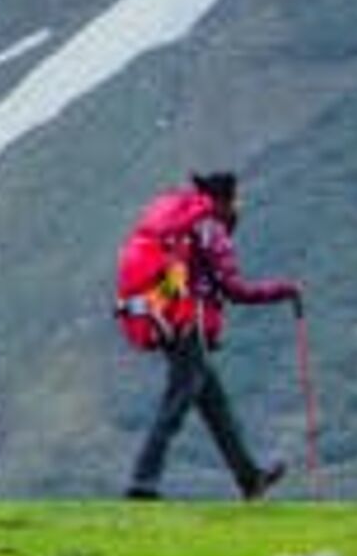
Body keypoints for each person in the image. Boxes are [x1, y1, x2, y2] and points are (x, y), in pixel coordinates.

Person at [115, 165, 302, 499]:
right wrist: (282, 290)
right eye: (237, 200)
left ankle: (250, 478)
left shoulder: (184, 225)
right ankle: (142, 481)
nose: (240, 207)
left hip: (170, 318)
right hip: (191, 324)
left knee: (216, 407)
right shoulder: (210, 229)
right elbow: (233, 289)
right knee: (174, 406)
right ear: (225, 200)